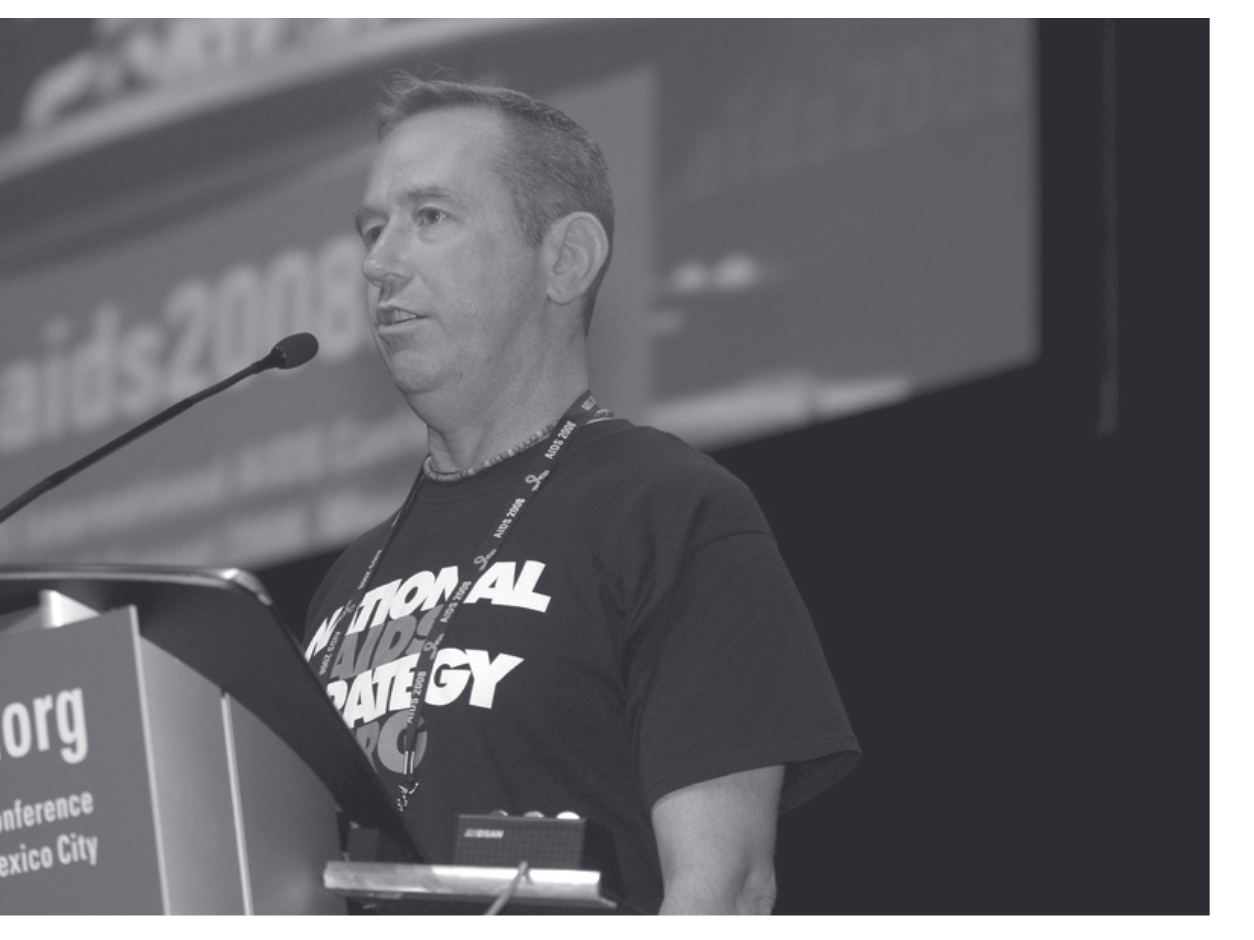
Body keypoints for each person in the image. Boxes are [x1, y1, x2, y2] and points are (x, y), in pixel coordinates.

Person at [302, 75, 859, 915]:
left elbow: (726, 889)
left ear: (564, 260)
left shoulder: (668, 512)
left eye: (430, 218)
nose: (379, 264)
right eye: (372, 230)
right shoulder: (347, 585)